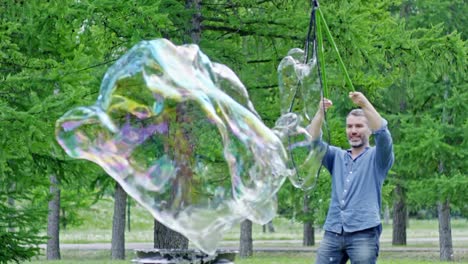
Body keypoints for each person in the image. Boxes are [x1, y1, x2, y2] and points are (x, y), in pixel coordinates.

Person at [307, 92, 394, 264]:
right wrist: (319, 114)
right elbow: (313, 141)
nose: (353, 131)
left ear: (369, 129)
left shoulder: (378, 158)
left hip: (364, 232)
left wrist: (364, 104)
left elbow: (383, 133)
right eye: (349, 126)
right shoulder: (336, 156)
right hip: (333, 230)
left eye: (359, 126)